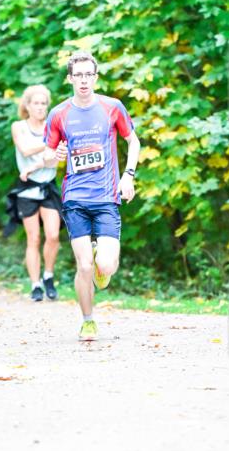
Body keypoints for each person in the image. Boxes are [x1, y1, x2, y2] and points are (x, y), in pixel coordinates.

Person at [42, 51, 140, 341]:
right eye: (78, 75)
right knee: (83, 265)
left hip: (107, 197)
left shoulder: (112, 107)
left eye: (89, 75)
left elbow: (133, 141)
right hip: (75, 199)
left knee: (105, 266)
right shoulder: (59, 113)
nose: (83, 80)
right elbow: (47, 156)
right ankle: (88, 321)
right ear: (70, 78)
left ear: (95, 77)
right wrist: (55, 155)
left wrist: (129, 175)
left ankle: (102, 262)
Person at [10, 85, 63, 302]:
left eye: (44, 103)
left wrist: (37, 163)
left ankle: (48, 275)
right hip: (27, 188)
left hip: (48, 185)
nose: (40, 107)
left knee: (53, 235)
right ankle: (35, 285)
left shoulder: (53, 127)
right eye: (36, 103)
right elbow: (24, 149)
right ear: (27, 106)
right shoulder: (19, 126)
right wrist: (49, 144)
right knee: (34, 238)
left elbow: (55, 159)